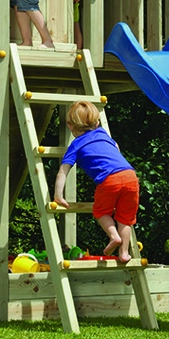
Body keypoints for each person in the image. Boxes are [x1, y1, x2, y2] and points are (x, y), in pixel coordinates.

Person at [52, 101, 139, 261]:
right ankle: (124, 253)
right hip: (130, 176)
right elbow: (116, 148)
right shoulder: (103, 134)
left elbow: (62, 172)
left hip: (109, 179)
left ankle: (114, 236)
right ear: (97, 123)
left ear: (70, 126)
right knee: (125, 218)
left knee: (101, 212)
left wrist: (59, 196)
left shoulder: (75, 145)